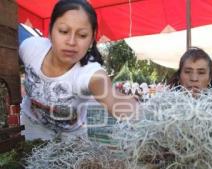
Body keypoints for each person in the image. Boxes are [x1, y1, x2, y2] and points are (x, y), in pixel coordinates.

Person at [19, 0, 138, 141]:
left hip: (70, 143)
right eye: (63, 31)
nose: (71, 42)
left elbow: (112, 99)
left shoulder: (91, 73)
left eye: (82, 35)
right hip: (29, 132)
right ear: (50, 31)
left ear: (92, 39)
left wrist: (147, 114)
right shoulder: (30, 48)